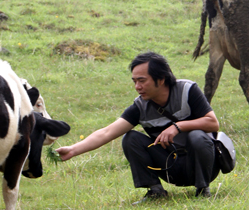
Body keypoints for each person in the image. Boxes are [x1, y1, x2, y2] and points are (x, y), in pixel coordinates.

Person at [57, 52, 220, 199]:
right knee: (131, 138)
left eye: (142, 81)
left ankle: (203, 189)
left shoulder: (187, 90)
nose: (137, 87)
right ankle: (156, 191)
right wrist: (73, 150)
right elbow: (106, 132)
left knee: (197, 135)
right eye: (135, 81)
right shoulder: (140, 107)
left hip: (205, 166)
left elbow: (213, 123)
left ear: (161, 79)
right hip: (172, 167)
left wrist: (178, 126)